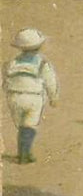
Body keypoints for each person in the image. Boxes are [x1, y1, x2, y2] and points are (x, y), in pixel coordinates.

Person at [5, 28, 59, 164]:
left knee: (20, 125)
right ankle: (25, 153)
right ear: (39, 46)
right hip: (34, 97)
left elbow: (4, 78)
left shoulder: (12, 63)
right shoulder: (42, 63)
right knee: (29, 125)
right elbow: (50, 81)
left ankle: (23, 152)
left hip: (14, 96)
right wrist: (53, 96)